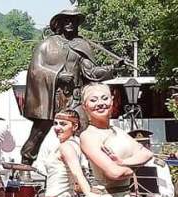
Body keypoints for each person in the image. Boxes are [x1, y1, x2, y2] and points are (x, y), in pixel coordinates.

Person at [20, 8, 119, 165]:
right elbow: (35, 69)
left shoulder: (82, 45)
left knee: (84, 129)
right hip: (54, 97)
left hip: (75, 97)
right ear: (59, 23)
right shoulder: (47, 45)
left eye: (73, 21)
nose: (70, 23)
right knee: (40, 131)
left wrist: (112, 68)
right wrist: (57, 75)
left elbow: (91, 72)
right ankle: (26, 162)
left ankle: (93, 166)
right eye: (66, 20)